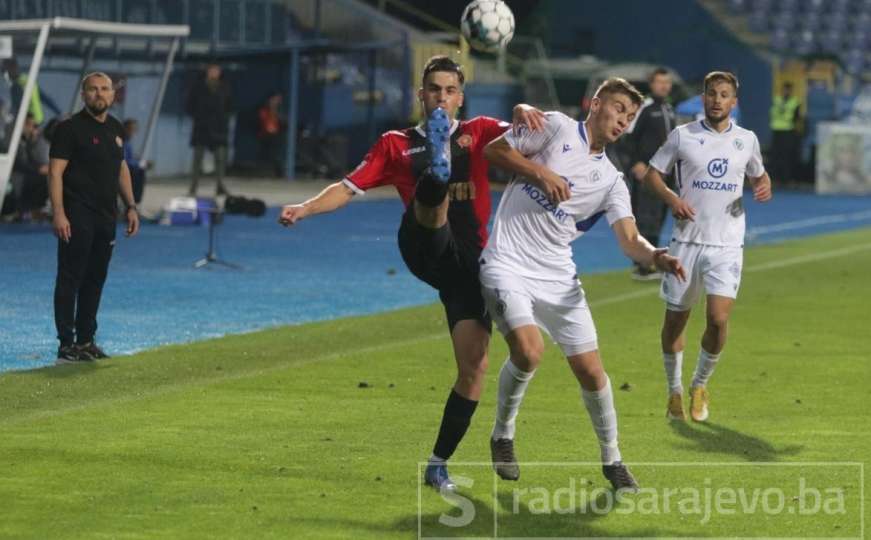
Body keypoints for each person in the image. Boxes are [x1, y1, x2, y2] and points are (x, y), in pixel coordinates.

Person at [278, 55, 544, 492]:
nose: (441, 97)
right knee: (432, 198)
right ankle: (436, 177)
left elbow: (537, 135)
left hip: (467, 269)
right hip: (422, 245)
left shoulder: (480, 133)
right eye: (433, 90)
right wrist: (305, 208)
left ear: (460, 96)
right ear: (421, 95)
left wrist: (519, 112)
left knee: (474, 366)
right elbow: (347, 188)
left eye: (449, 90)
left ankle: (437, 465)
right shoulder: (395, 144)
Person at [480, 78, 686, 491]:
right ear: (596, 104)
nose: (623, 121)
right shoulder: (554, 127)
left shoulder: (611, 180)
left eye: (630, 117)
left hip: (558, 278)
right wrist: (540, 172)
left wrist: (656, 256)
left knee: (593, 373)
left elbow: (629, 239)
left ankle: (613, 459)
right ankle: (503, 435)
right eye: (618, 109)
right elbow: (494, 150)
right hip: (506, 262)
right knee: (528, 350)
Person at [641, 71, 772, 421]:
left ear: (734, 102)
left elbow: (759, 174)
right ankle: (674, 391)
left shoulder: (747, 140)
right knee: (675, 323)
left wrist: (763, 185)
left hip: (727, 244)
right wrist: (671, 198)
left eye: (724, 94)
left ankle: (700, 384)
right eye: (712, 93)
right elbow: (653, 174)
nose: (717, 99)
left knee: (717, 319)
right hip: (685, 242)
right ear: (704, 98)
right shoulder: (682, 136)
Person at [48, 72, 140, 364]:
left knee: (96, 278)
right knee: (70, 277)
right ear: (83, 95)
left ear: (112, 95)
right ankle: (66, 344)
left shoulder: (115, 128)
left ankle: (86, 340)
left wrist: (131, 206)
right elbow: (55, 172)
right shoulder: (69, 129)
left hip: (106, 216)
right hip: (77, 215)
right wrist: (59, 213)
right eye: (93, 89)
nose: (99, 94)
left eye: (104, 89)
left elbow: (121, 168)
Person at [625, 67, 677, 281]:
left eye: (667, 82)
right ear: (651, 84)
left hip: (666, 173)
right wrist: (636, 163)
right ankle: (642, 265)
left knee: (659, 217)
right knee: (645, 217)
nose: (664, 86)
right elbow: (628, 139)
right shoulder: (643, 108)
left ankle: (653, 261)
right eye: (660, 82)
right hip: (647, 172)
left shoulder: (669, 108)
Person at [186, 62, 233, 196]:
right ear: (207, 71)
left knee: (220, 158)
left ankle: (220, 186)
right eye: (212, 70)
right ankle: (193, 187)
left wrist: (224, 119)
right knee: (197, 159)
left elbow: (230, 106)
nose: (214, 73)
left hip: (219, 128)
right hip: (202, 127)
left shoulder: (225, 87)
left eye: (216, 70)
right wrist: (198, 117)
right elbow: (189, 106)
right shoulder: (198, 87)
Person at [9, 113, 50, 221]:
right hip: (16, 178)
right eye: (29, 125)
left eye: (34, 126)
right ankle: (25, 211)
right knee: (44, 179)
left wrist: (32, 141)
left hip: (26, 176)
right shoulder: (13, 139)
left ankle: (32, 210)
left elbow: (31, 159)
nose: (32, 128)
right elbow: (19, 163)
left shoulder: (26, 142)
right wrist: (39, 169)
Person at [769, 81, 802, 184]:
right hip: (776, 130)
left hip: (788, 131)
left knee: (787, 156)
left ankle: (786, 179)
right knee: (775, 156)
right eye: (785, 89)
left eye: (788, 89)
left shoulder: (795, 102)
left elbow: (797, 117)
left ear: (791, 91)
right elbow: (772, 113)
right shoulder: (776, 100)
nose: (786, 91)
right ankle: (775, 178)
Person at [257, 92, 286, 177]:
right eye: (274, 99)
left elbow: (283, 122)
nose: (276, 101)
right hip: (265, 135)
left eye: (277, 100)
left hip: (276, 135)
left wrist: (276, 113)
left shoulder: (279, 110)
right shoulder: (264, 109)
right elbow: (261, 120)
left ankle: (278, 173)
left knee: (276, 154)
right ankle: (264, 171)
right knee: (265, 154)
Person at [122, 118, 147, 204]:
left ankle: (135, 200)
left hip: (127, 167)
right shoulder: (122, 141)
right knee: (139, 172)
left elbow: (129, 157)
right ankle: (134, 200)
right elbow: (124, 160)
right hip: (122, 169)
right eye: (131, 129)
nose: (133, 132)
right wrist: (138, 164)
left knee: (140, 170)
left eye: (134, 130)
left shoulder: (128, 142)